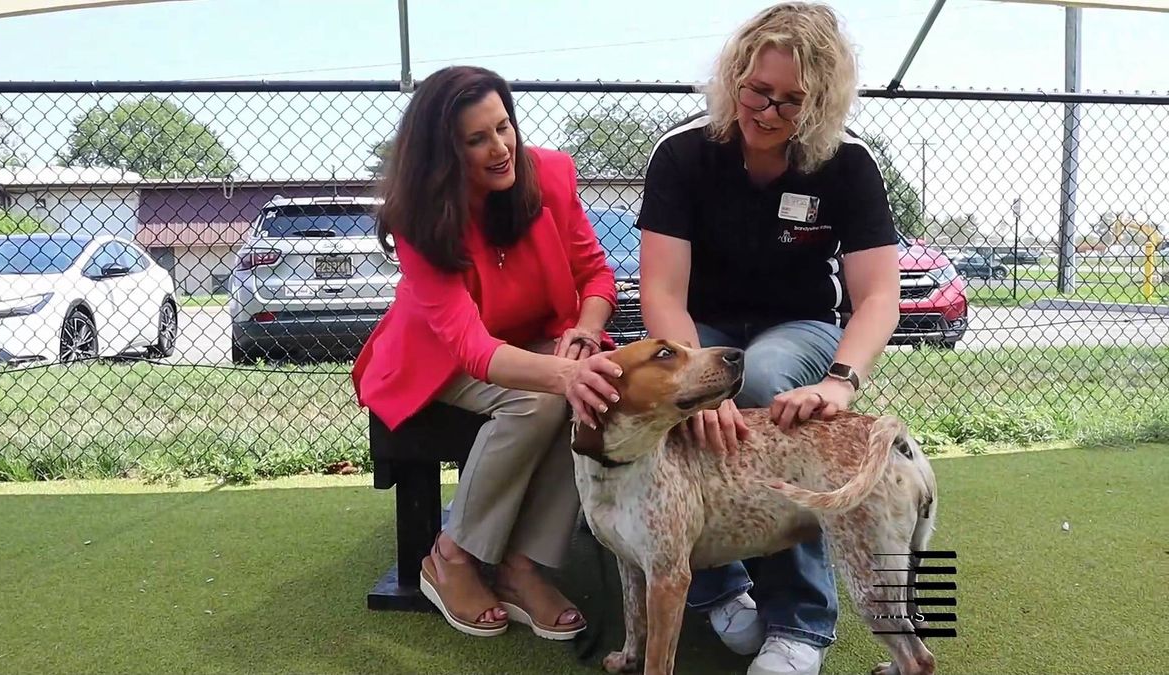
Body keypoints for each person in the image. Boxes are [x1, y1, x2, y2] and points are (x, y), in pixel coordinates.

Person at [636, 3, 902, 675]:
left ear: (819, 104)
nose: (770, 112)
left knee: (765, 382)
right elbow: (663, 292)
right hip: (702, 330)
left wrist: (840, 380)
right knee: (669, 416)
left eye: (792, 101)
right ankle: (720, 589)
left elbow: (878, 296)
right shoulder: (683, 153)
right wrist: (691, 387)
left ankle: (799, 623)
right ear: (736, 76)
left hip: (801, 326)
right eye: (759, 91)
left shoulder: (846, 162)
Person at [352, 65, 623, 641]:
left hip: (535, 338)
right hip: (434, 358)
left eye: (505, 127)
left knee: (582, 393)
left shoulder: (550, 174)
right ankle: (449, 556)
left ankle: (520, 565)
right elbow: (471, 347)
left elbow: (597, 275)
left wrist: (583, 331)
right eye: (477, 139)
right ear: (443, 151)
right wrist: (562, 373)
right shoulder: (418, 217)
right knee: (540, 400)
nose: (501, 148)